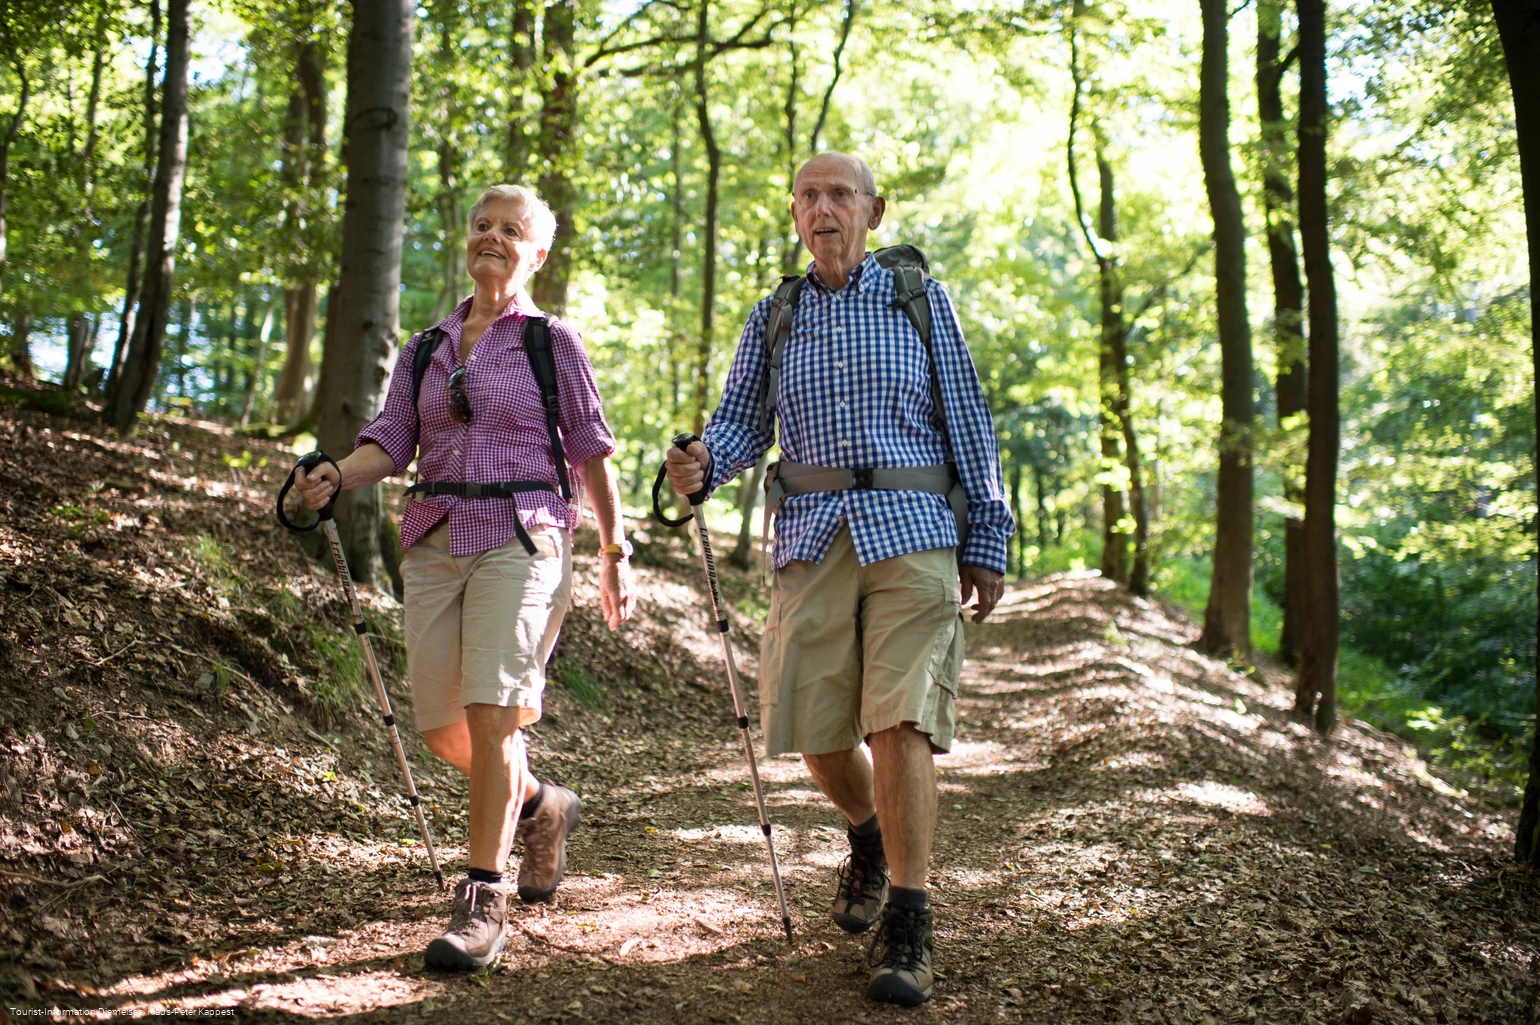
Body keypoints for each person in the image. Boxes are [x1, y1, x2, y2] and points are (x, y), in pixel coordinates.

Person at [664, 152, 1013, 1007]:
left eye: (840, 195)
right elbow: (740, 422)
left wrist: (989, 533)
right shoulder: (775, 313)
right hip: (812, 535)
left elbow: (969, 417)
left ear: (874, 210)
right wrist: (704, 460)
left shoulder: (919, 301)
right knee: (815, 730)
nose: (824, 209)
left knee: (900, 718)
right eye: (809, 196)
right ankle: (869, 833)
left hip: (914, 529)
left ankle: (910, 916)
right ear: (794, 213)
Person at [293, 184, 636, 970]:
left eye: (511, 229)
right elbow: (391, 440)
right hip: (434, 537)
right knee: (442, 726)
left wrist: (614, 553)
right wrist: (336, 473)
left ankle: (483, 898)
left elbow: (592, 452)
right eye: (482, 225)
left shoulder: (553, 342)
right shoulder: (426, 346)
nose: (492, 237)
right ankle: (543, 802)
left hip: (523, 534)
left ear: (536, 253)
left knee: (493, 712)